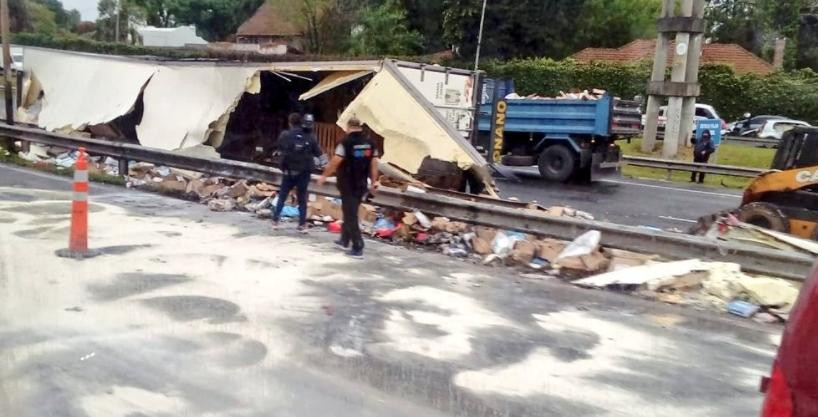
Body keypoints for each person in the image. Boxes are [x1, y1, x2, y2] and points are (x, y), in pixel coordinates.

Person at [318, 117, 379, 258]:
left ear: (348, 127)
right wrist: (374, 181)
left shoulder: (345, 142)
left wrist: (324, 176)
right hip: (362, 184)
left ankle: (358, 246)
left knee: (350, 215)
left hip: (347, 183)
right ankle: (344, 239)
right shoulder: (370, 143)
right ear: (360, 126)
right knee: (349, 211)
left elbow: (335, 161)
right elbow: (374, 163)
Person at [272, 112, 322, 232]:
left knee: (282, 196)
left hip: (288, 172)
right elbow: (319, 153)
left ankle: (275, 221)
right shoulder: (311, 137)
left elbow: (278, 149)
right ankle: (301, 225)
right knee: (302, 199)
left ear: (290, 122)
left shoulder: (285, 135)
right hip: (303, 173)